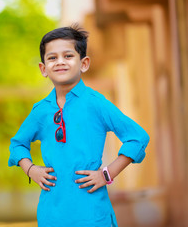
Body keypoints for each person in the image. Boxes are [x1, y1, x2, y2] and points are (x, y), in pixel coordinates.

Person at [8, 24, 150, 227]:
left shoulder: (96, 103)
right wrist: (31, 169)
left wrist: (106, 174)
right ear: (43, 68)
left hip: (92, 213)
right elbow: (17, 144)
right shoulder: (40, 110)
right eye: (52, 58)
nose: (60, 62)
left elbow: (137, 137)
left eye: (68, 56)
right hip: (51, 214)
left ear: (84, 64)